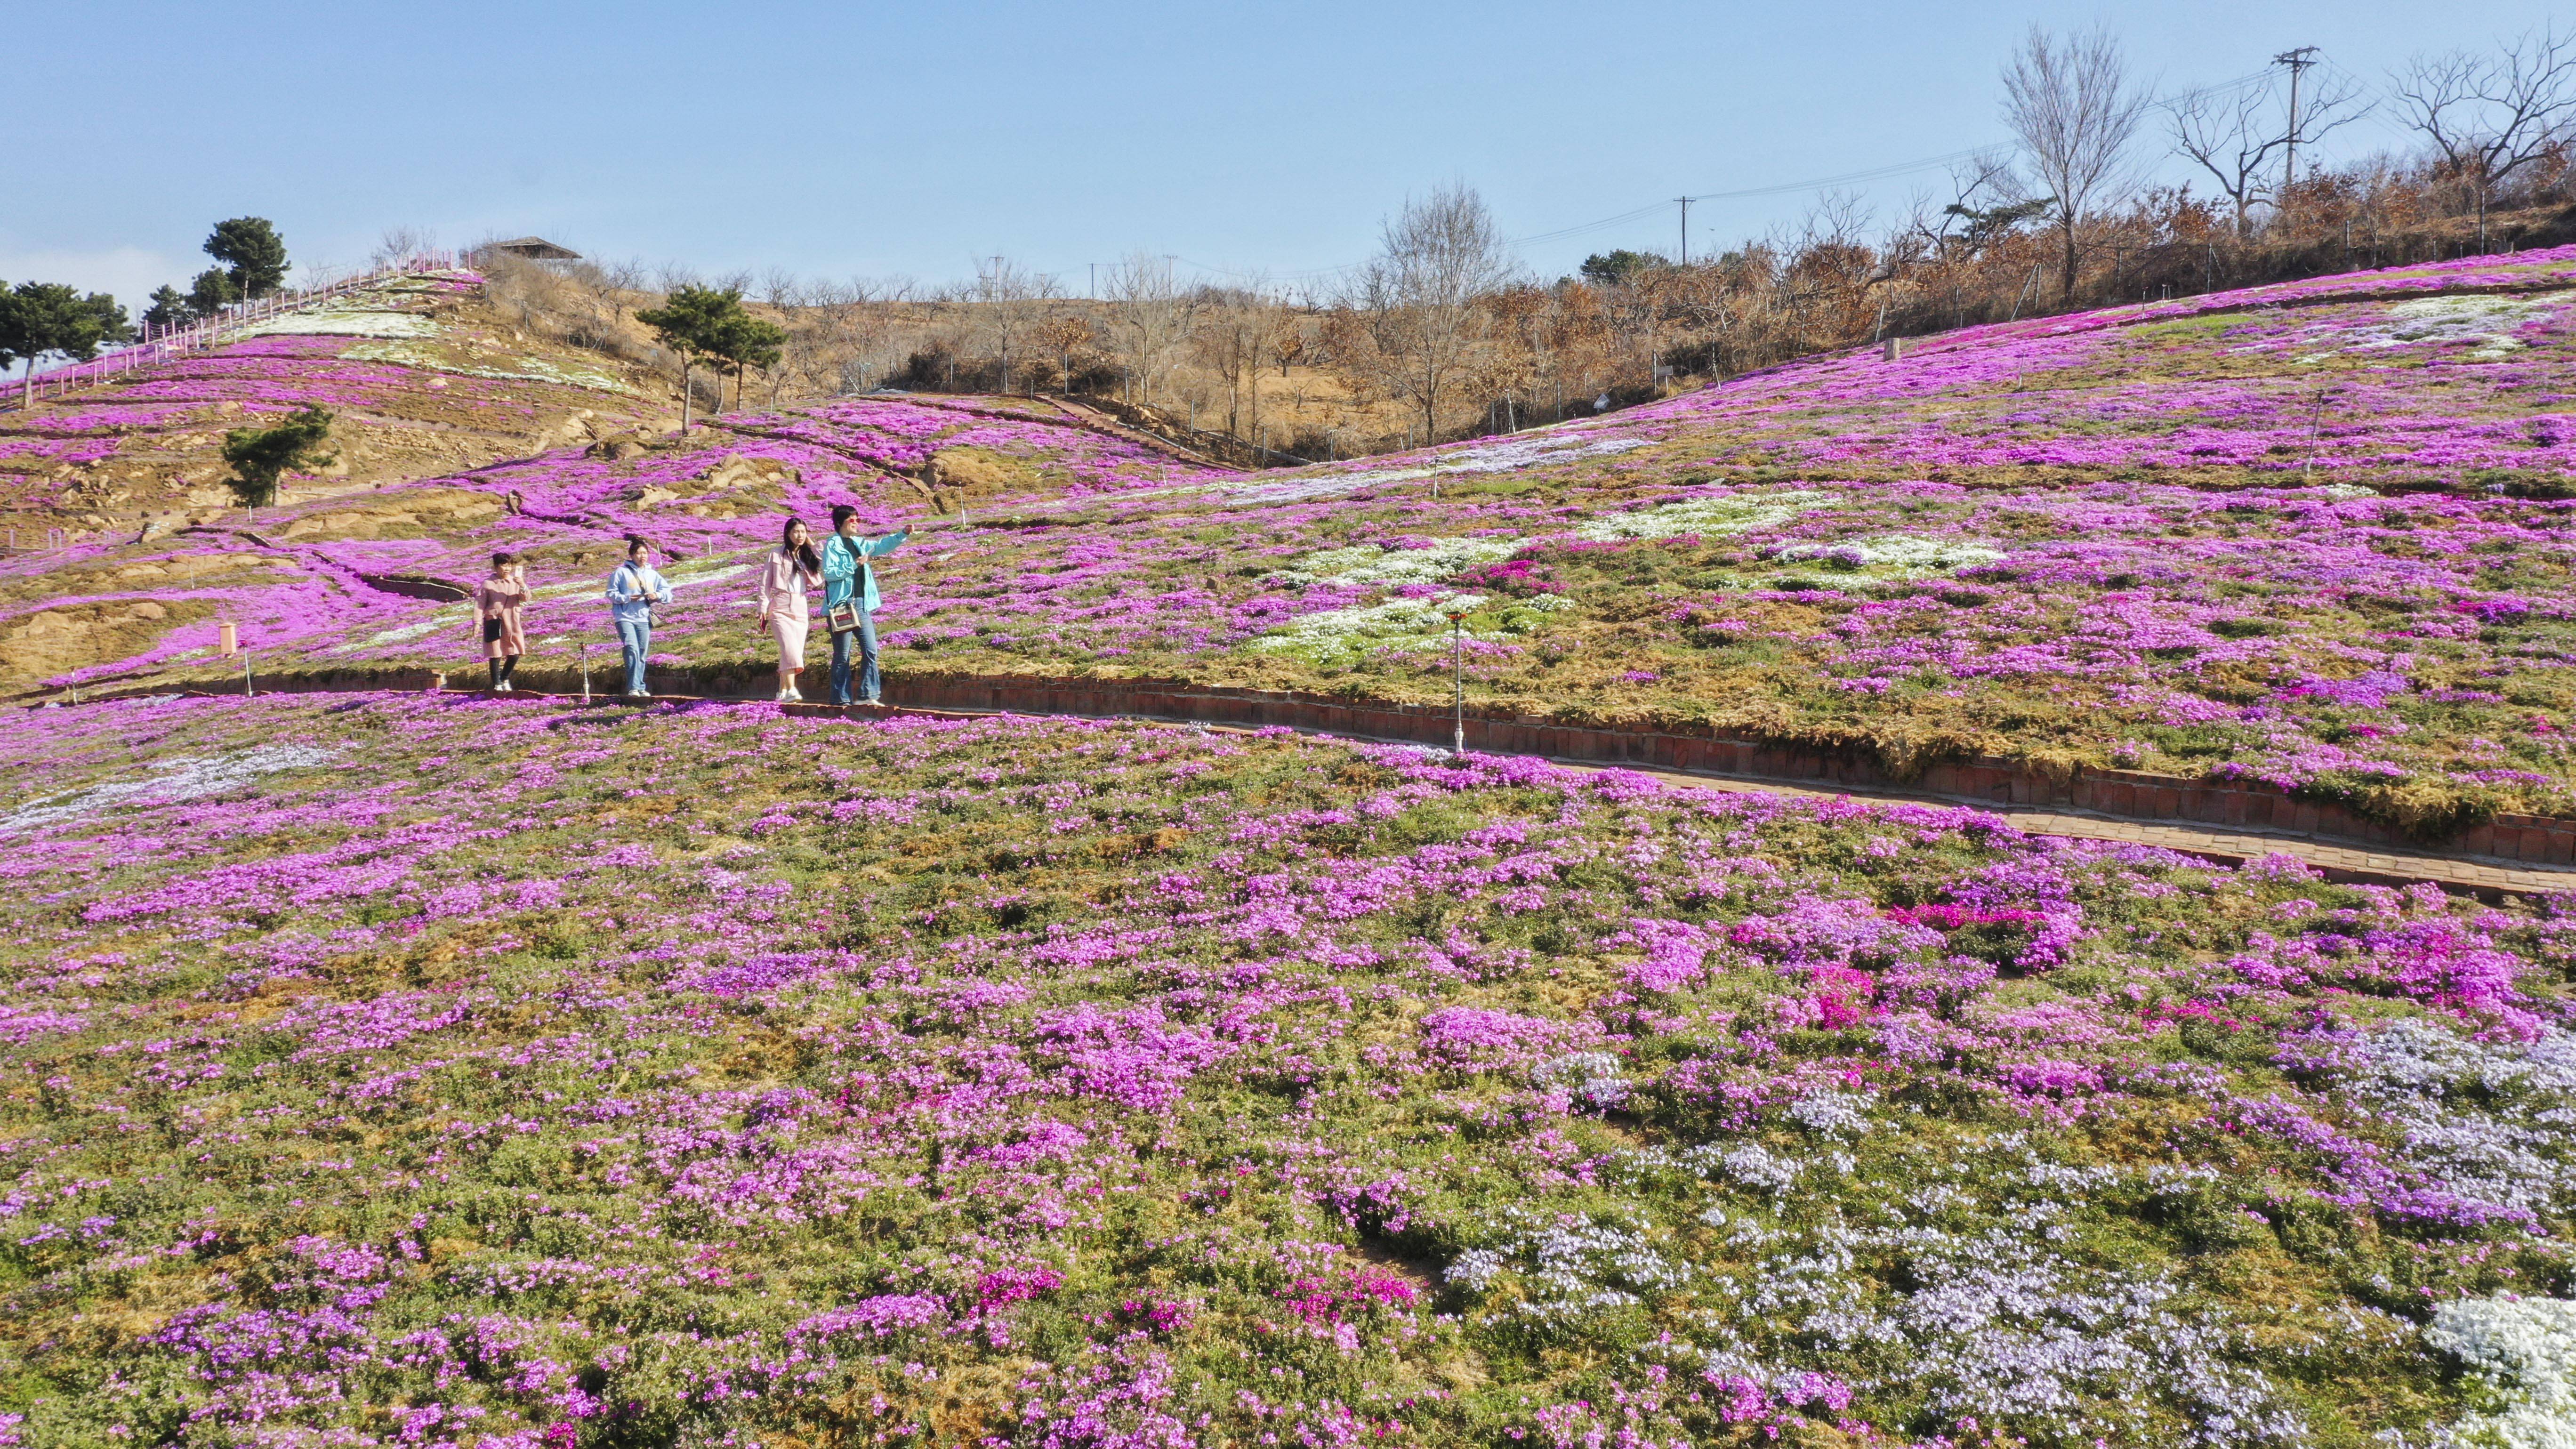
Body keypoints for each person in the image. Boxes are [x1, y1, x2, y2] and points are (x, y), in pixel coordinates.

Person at [819, 505, 909, 707]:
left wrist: (902, 535)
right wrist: (854, 564)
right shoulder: (832, 545)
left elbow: (881, 546)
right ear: (842, 522)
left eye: (858, 520)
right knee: (842, 655)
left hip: (862, 605)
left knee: (871, 650)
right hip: (842, 606)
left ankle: (868, 695)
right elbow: (830, 573)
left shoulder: (860, 542)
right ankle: (840, 699)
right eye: (853, 520)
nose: (857, 523)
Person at [757, 517, 823, 702]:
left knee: (793, 650)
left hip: (801, 606)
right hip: (779, 605)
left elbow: (824, 557)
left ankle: (783, 692)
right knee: (790, 649)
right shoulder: (776, 554)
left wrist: (810, 543)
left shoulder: (806, 554)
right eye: (796, 531)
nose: (800, 535)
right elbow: (765, 584)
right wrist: (763, 608)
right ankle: (792, 689)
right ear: (788, 534)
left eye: (803, 531)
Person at [604, 535, 675, 700]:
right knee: (632, 649)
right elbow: (611, 594)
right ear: (631, 556)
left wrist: (656, 595)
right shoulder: (621, 573)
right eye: (638, 554)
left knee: (642, 653)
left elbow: (668, 593)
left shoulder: (652, 574)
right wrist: (628, 598)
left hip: (644, 618)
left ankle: (640, 687)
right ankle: (633, 687)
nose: (642, 556)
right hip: (625, 617)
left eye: (645, 553)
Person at [475, 551, 529, 692]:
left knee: (515, 652)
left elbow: (526, 598)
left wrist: (522, 585)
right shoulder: (487, 584)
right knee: (495, 654)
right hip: (494, 621)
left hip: (512, 621)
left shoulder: (515, 581)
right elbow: (480, 604)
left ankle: (505, 678)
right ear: (496, 567)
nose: (507, 569)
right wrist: (477, 623)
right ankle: (497, 684)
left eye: (509, 565)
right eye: (503, 566)